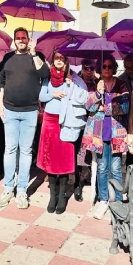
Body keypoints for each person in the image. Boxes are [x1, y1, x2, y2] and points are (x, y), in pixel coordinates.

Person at [0, 28, 49, 209]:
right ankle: (8, 188)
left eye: (23, 38)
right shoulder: (7, 58)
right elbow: (2, 84)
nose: (21, 40)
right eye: (18, 38)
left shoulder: (37, 56)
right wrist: (0, 105)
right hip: (10, 110)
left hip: (30, 111)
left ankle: (21, 191)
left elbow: (44, 74)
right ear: (14, 40)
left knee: (26, 151)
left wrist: (33, 53)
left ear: (28, 40)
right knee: (10, 150)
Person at [38, 51, 88, 214]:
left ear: (66, 61)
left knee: (64, 161)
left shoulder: (73, 78)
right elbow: (41, 96)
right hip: (49, 121)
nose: (59, 60)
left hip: (66, 122)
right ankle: (52, 197)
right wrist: (53, 94)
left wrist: (71, 85)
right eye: (56, 58)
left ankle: (61, 198)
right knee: (51, 160)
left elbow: (83, 98)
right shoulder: (47, 78)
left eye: (62, 58)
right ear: (53, 61)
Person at [82, 55, 129, 219]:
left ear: (114, 68)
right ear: (100, 69)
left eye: (110, 66)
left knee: (115, 168)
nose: (107, 69)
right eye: (104, 66)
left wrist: (104, 108)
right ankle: (103, 200)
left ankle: (116, 200)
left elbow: (124, 106)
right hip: (99, 133)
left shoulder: (121, 84)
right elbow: (88, 106)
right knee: (102, 168)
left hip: (116, 132)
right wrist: (98, 93)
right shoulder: (94, 84)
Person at [73, 59, 99, 202]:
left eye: (91, 68)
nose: (88, 71)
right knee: (78, 153)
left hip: (93, 121)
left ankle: (90, 178)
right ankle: (77, 183)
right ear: (82, 68)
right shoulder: (75, 82)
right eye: (86, 68)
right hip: (78, 121)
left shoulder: (98, 83)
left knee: (90, 153)